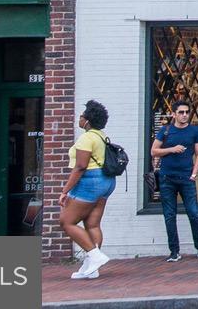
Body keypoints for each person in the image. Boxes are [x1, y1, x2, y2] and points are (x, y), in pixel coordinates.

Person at [57, 100, 116, 280]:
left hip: (91, 181)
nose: (79, 118)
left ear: (88, 120)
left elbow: (80, 166)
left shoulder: (86, 138)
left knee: (66, 221)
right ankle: (92, 267)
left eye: (82, 116)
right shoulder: (101, 136)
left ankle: (95, 255)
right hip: (107, 181)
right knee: (92, 224)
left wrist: (65, 191)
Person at [151, 99, 198, 262]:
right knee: (169, 215)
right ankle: (174, 251)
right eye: (181, 112)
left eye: (186, 112)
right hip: (167, 178)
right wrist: (172, 149)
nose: (184, 115)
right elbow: (153, 151)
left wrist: (194, 173)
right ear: (174, 114)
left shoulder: (194, 131)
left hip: (186, 177)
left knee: (193, 213)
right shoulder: (165, 130)